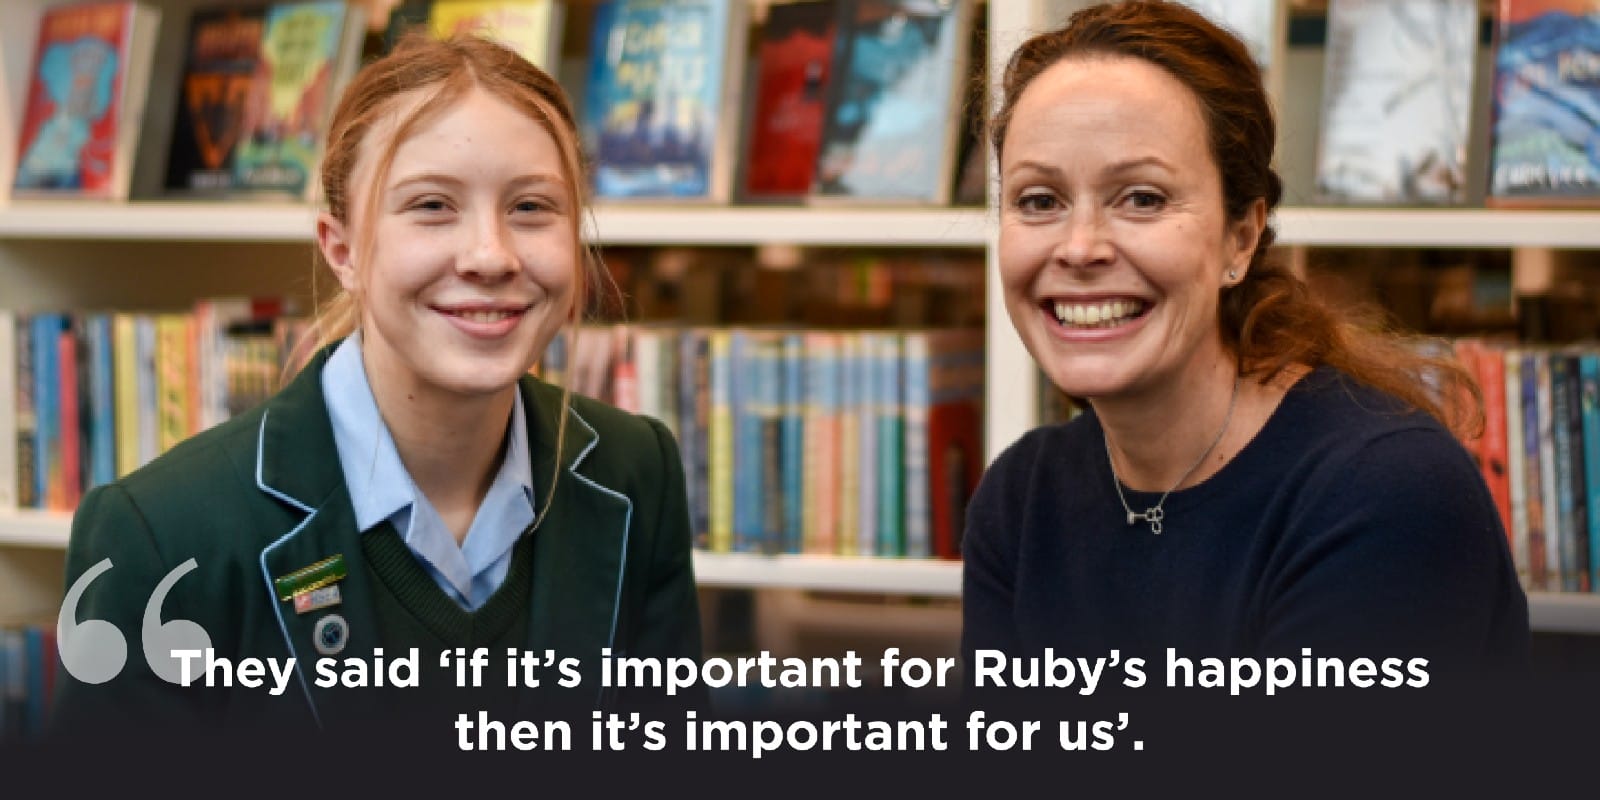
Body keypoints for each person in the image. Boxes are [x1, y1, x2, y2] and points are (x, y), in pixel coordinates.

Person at [53, 35, 702, 737]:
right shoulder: (160, 534)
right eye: (431, 205)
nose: (490, 255)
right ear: (343, 252)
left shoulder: (638, 474)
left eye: (531, 207)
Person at [963, 1, 1527, 681]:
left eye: (1141, 198)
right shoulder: (1022, 499)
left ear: (1242, 236)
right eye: (1038, 201)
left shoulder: (1386, 490)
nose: (1080, 247)